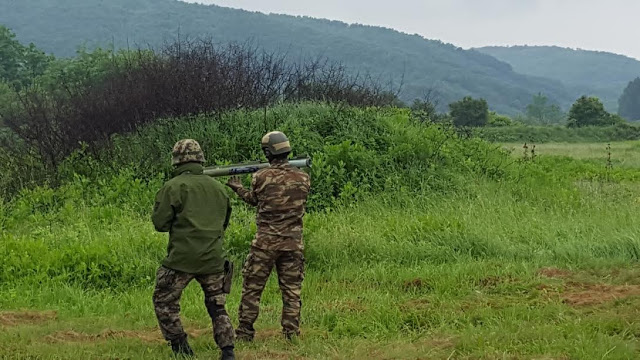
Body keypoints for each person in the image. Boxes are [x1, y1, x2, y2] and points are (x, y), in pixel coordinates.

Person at [152, 139, 235, 359]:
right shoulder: (218, 188)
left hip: (182, 259)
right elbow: (223, 222)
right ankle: (228, 350)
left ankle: (180, 347)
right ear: (201, 159)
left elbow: (159, 224)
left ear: (176, 161)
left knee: (164, 300)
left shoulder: (172, 187)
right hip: (214, 259)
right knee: (217, 305)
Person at [226, 131, 311, 341]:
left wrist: (237, 188)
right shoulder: (303, 178)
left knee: (252, 289)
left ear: (268, 152)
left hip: (265, 244)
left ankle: (245, 332)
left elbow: (254, 199)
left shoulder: (260, 177)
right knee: (292, 291)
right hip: (293, 244)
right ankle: (291, 334)